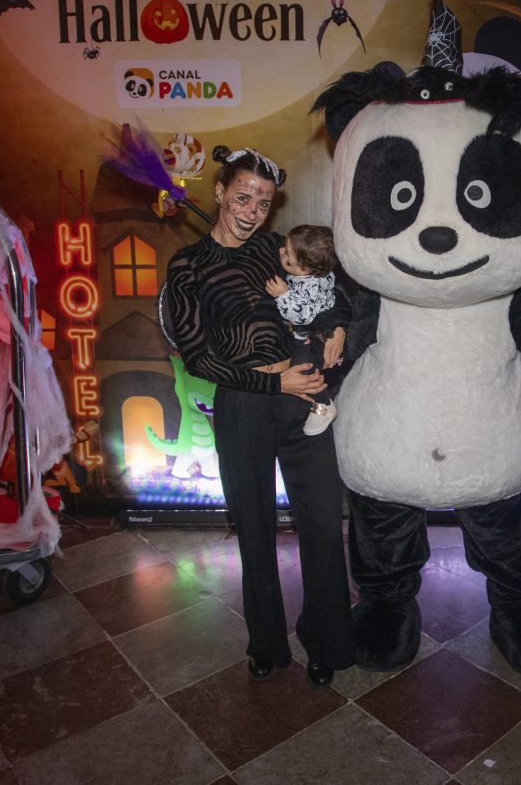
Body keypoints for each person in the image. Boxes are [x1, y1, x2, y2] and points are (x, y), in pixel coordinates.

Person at [166, 145, 355, 688]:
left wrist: (338, 326)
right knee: (254, 529)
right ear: (220, 192)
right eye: (243, 197)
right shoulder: (188, 265)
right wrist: (275, 382)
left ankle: (327, 640)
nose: (252, 211)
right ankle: (267, 643)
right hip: (244, 406)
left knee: (324, 523)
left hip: (305, 403)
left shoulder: (278, 249)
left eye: (264, 202)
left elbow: (330, 291)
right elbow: (198, 359)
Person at [265, 224, 340, 436]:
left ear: (305, 269)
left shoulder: (311, 285)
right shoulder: (313, 274)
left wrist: (283, 295)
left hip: (313, 339)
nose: (281, 251)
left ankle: (324, 404)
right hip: (308, 335)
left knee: (303, 369)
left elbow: (303, 316)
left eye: (287, 255)